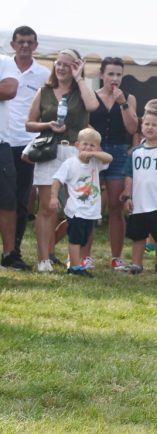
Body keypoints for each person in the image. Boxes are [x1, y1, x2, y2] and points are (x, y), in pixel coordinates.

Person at [25, 49, 100, 272]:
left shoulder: (81, 91)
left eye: (67, 65)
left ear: (76, 67)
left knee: (78, 208)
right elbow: (29, 123)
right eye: (58, 63)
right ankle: (43, 259)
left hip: (75, 152)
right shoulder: (44, 91)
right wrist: (47, 125)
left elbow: (93, 106)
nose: (61, 68)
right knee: (48, 207)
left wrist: (79, 78)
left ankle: (75, 260)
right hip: (49, 151)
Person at [3, 26, 48, 270]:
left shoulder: (43, 74)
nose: (25, 46)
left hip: (25, 143)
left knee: (20, 201)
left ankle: (13, 251)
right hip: (2, 139)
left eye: (30, 42)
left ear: (36, 45)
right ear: (12, 44)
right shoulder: (3, 67)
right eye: (21, 42)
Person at [89, 56, 139, 270]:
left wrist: (123, 104)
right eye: (110, 74)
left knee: (116, 207)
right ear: (102, 75)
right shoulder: (92, 97)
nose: (114, 78)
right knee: (89, 205)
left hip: (119, 152)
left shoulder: (128, 98)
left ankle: (116, 257)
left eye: (118, 74)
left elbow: (132, 128)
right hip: (95, 152)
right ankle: (85, 255)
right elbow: (86, 125)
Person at [121, 107, 157, 277]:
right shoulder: (135, 152)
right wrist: (128, 196)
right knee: (138, 236)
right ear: (141, 126)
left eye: (154, 125)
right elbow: (129, 176)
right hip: (139, 204)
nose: (150, 127)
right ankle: (136, 264)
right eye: (146, 124)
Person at [49, 127, 111, 277]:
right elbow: (57, 180)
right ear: (77, 145)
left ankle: (78, 263)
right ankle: (75, 267)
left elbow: (109, 158)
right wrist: (53, 197)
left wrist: (94, 153)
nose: (88, 148)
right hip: (76, 209)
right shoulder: (70, 163)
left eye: (92, 145)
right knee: (75, 239)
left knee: (84, 239)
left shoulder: (96, 162)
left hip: (91, 210)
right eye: (85, 144)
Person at [0, 51, 20, 268]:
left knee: (6, 201)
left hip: (1, 143)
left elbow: (9, 89)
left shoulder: (4, 61)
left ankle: (8, 254)